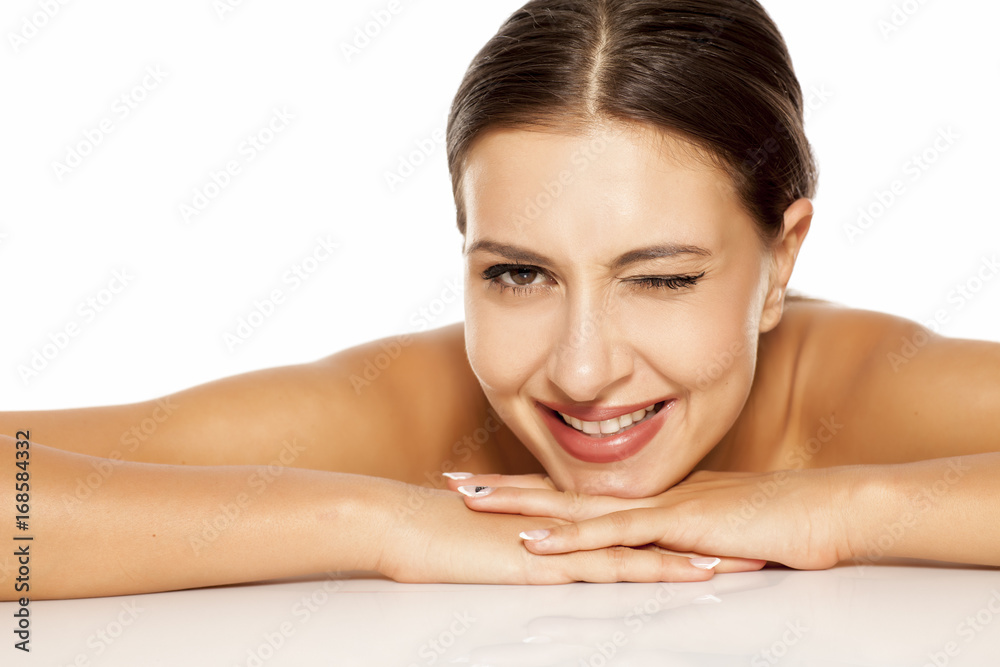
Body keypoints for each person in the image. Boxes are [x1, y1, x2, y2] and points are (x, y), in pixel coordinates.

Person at [2, 0, 997, 601]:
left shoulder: (866, 393)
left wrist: (845, 508)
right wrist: (382, 525)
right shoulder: (408, 411)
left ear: (781, 259)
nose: (580, 368)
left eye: (660, 278)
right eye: (518, 273)